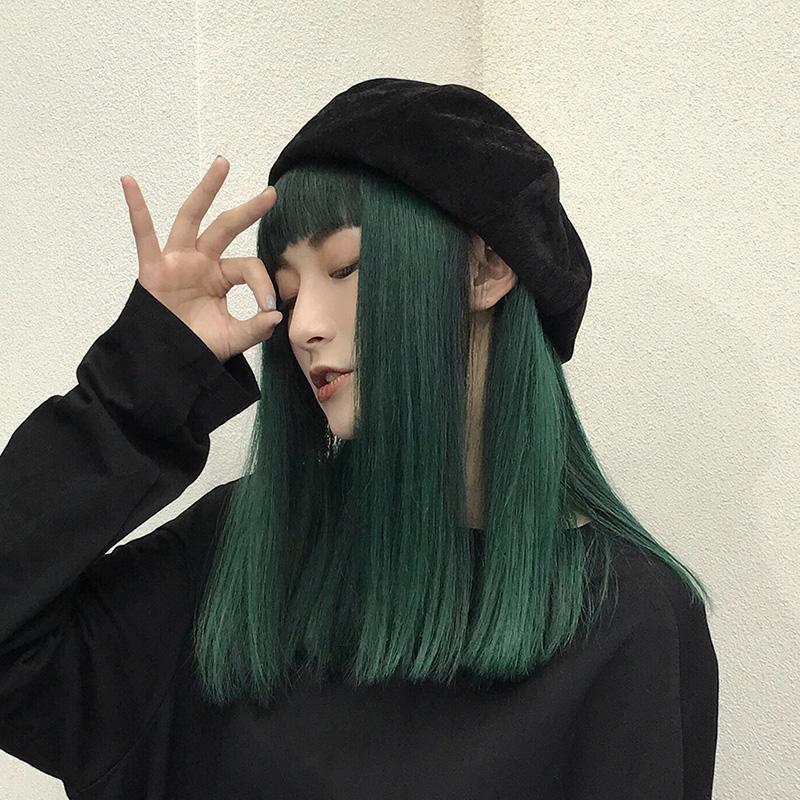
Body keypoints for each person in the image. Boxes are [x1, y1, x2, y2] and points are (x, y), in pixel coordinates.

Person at [0, 118, 718, 797]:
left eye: (345, 267)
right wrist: (143, 379)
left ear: (487, 269)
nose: (303, 326)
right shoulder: (246, 550)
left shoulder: (629, 620)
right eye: (288, 292)